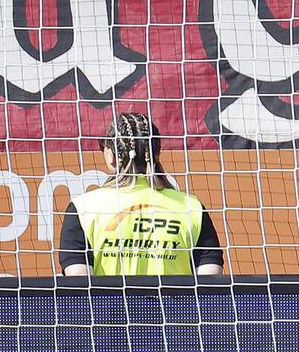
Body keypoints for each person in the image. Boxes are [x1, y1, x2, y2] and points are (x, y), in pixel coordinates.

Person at [58, 113, 224, 277]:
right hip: (175, 305)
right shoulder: (191, 208)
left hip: (110, 305)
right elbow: (209, 281)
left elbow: (78, 284)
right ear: (157, 155)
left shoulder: (83, 209)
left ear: (111, 155)